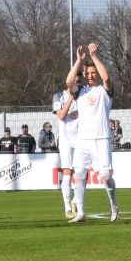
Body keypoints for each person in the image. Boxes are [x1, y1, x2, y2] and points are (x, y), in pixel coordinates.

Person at [66, 42, 118, 223]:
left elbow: (107, 78)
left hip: (101, 138)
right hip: (83, 140)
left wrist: (94, 57)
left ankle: (113, 206)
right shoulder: (80, 91)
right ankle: (80, 212)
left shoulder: (105, 91)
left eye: (92, 72)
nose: (90, 75)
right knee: (79, 174)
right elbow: (68, 82)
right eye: (87, 73)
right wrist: (78, 61)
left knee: (105, 176)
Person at [49, 84, 79, 218]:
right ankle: (67, 208)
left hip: (81, 139)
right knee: (67, 172)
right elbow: (61, 115)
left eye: (78, 81)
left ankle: (75, 201)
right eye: (74, 81)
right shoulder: (58, 96)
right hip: (66, 140)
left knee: (82, 174)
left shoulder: (83, 95)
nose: (77, 84)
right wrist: (71, 99)